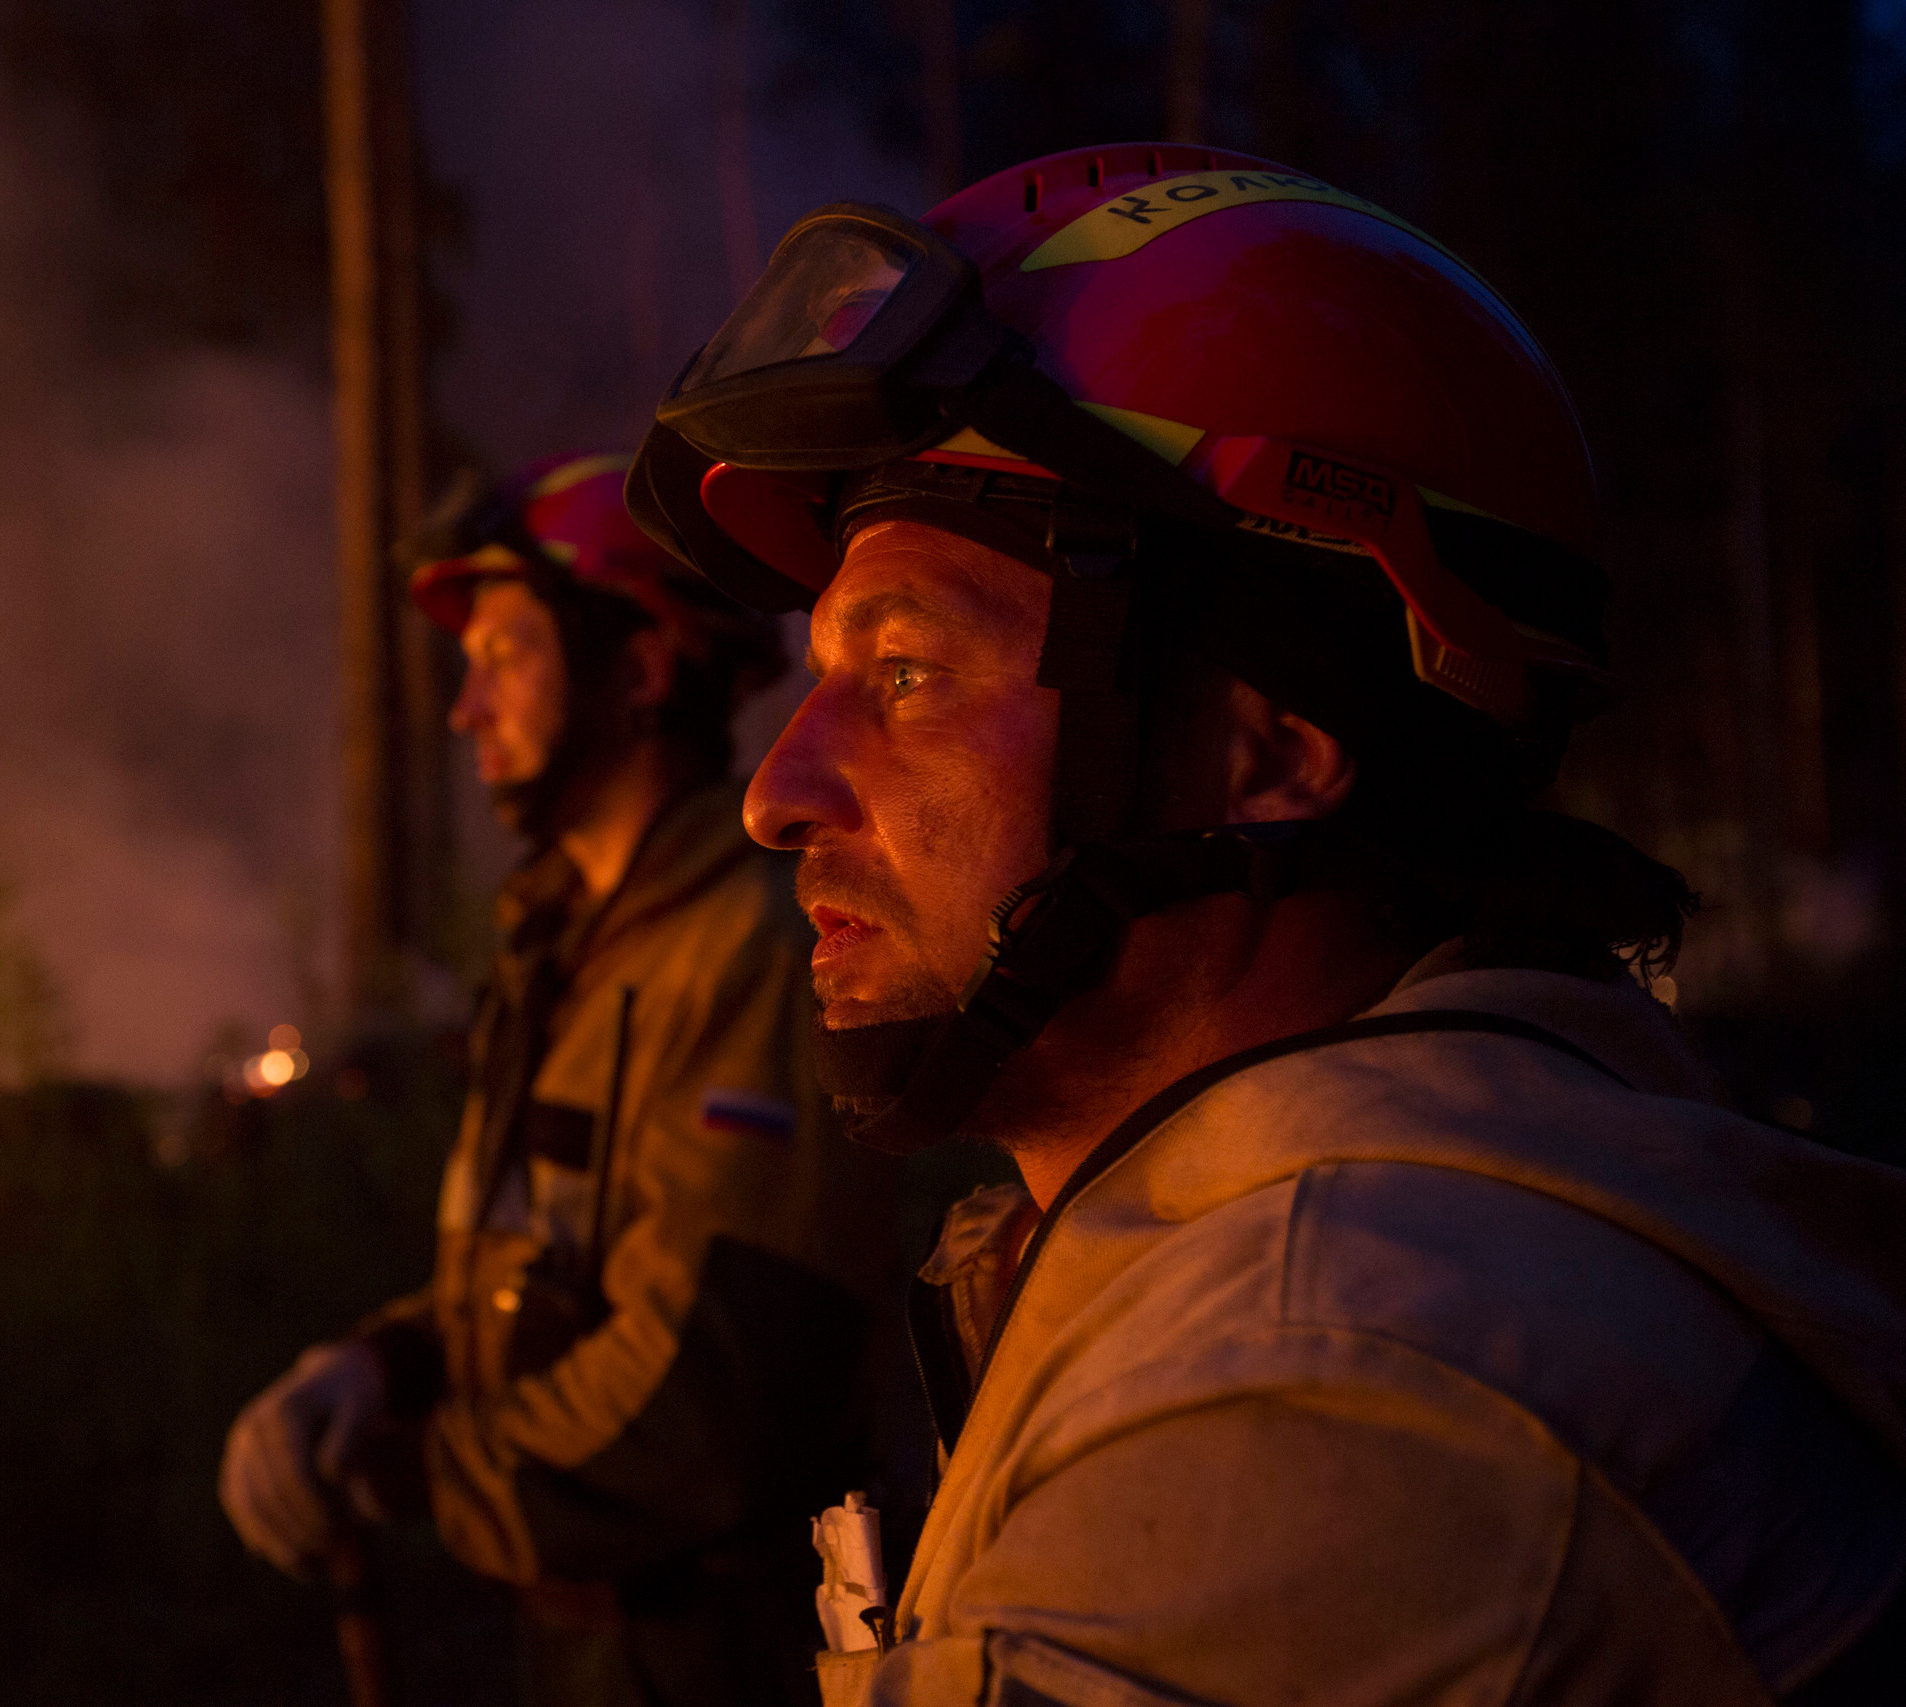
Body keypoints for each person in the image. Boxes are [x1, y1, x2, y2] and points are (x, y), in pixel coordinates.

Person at [627, 145, 1906, 1704]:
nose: (776, 789)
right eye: (821, 676)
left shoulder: (1330, 1382)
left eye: (904, 673)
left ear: (1272, 741)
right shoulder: (1287, 1244)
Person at [219, 453, 893, 1707]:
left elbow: (716, 1390)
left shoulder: (749, 951)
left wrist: (420, 1469)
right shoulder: (568, 950)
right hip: (587, 1648)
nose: (468, 709)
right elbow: (545, 1276)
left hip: (717, 1657)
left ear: (640, 669)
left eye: (506, 656)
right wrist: (380, 1370)